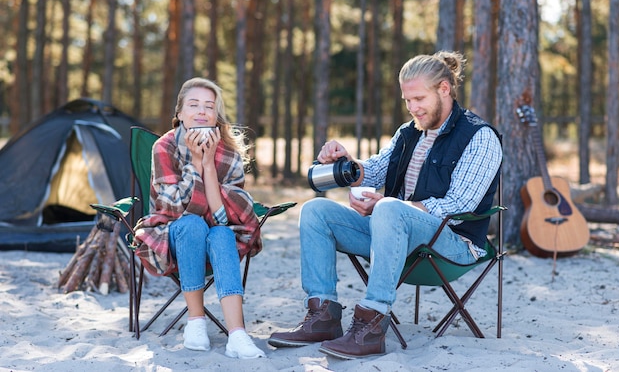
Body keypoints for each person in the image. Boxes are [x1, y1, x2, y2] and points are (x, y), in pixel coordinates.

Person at [268, 51, 502, 359]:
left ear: (444, 89)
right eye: (407, 101)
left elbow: (459, 205)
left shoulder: (479, 136)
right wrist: (345, 163)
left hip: (453, 244)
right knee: (316, 211)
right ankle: (322, 315)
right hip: (394, 237)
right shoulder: (408, 133)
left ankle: (372, 324)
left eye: (419, 99)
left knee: (391, 209)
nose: (413, 108)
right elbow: (375, 170)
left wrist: (389, 207)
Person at [133, 77, 265, 358]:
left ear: (217, 115)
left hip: (221, 237)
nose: (202, 111)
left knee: (220, 234)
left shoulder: (228, 152)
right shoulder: (164, 147)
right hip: (172, 235)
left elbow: (222, 218)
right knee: (192, 223)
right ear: (180, 113)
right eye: (194, 105)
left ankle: (237, 335)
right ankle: (195, 322)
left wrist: (207, 165)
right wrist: (194, 162)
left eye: (209, 106)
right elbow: (173, 209)